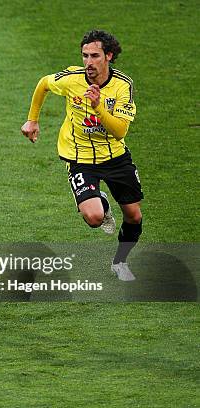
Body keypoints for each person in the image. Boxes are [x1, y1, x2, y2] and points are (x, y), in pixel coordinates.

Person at [21, 30, 143, 281]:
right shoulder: (71, 79)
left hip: (115, 157)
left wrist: (98, 107)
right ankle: (103, 203)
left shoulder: (122, 85)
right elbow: (44, 83)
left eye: (95, 56)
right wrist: (32, 120)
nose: (88, 62)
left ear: (108, 56)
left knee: (134, 216)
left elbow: (119, 131)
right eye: (85, 56)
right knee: (95, 217)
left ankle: (119, 262)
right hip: (80, 158)